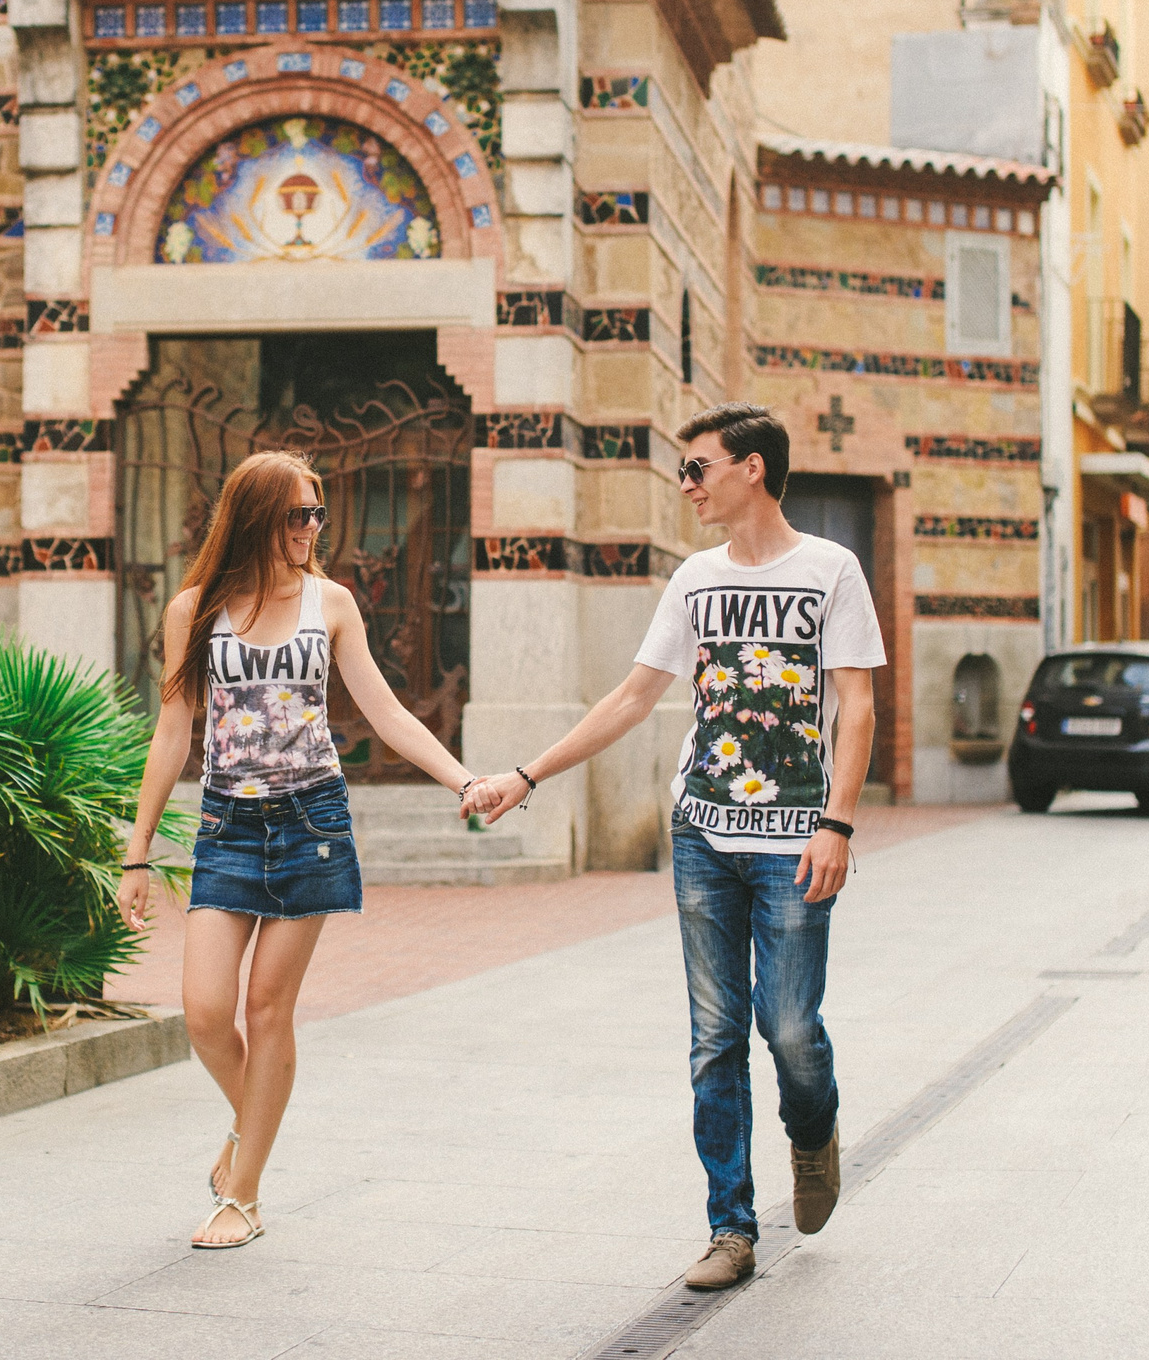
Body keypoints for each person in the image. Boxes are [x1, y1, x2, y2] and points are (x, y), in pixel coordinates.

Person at [464, 402, 885, 1292]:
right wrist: (527, 775)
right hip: (701, 834)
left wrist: (837, 822)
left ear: (753, 470)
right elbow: (631, 696)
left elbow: (858, 706)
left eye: (698, 467)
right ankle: (730, 1227)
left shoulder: (832, 570)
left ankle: (813, 1133)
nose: (684, 483)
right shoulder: (694, 579)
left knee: (792, 1029)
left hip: (796, 842)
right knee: (714, 1037)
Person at [116, 450, 482, 1251]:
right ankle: (251, 1127)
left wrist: (461, 779)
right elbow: (172, 733)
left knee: (266, 1009)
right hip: (226, 825)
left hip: (312, 821)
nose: (313, 527)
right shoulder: (195, 611)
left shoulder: (333, 602)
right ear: (256, 519)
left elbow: (385, 712)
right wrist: (136, 854)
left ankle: (242, 1195)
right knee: (207, 1014)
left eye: (318, 513)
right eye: (298, 514)